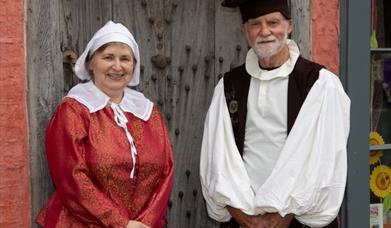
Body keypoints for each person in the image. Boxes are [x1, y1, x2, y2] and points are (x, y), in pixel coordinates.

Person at [200, 0, 350, 227]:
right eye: (255, 24)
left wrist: (283, 216)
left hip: (299, 220)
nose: (265, 31)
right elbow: (217, 157)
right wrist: (243, 217)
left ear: (289, 25)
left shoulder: (319, 84)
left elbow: (324, 161)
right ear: (244, 30)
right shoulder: (229, 86)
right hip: (243, 220)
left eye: (273, 22)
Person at [36, 21, 174, 228]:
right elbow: (71, 177)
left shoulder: (147, 112)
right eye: (108, 57)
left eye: (125, 59)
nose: (117, 66)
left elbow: (166, 170)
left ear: (134, 66)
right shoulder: (74, 110)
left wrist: (145, 222)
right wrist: (121, 224)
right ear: (91, 63)